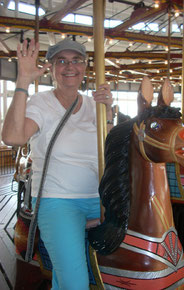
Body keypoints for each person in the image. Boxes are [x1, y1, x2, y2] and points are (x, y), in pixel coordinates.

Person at [2, 37, 113, 290]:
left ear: (84, 67)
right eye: (61, 61)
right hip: (59, 201)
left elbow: (107, 150)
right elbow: (11, 137)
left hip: (100, 199)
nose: (69, 66)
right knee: (75, 284)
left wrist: (108, 112)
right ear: (51, 68)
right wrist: (23, 81)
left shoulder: (94, 105)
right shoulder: (41, 103)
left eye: (76, 60)